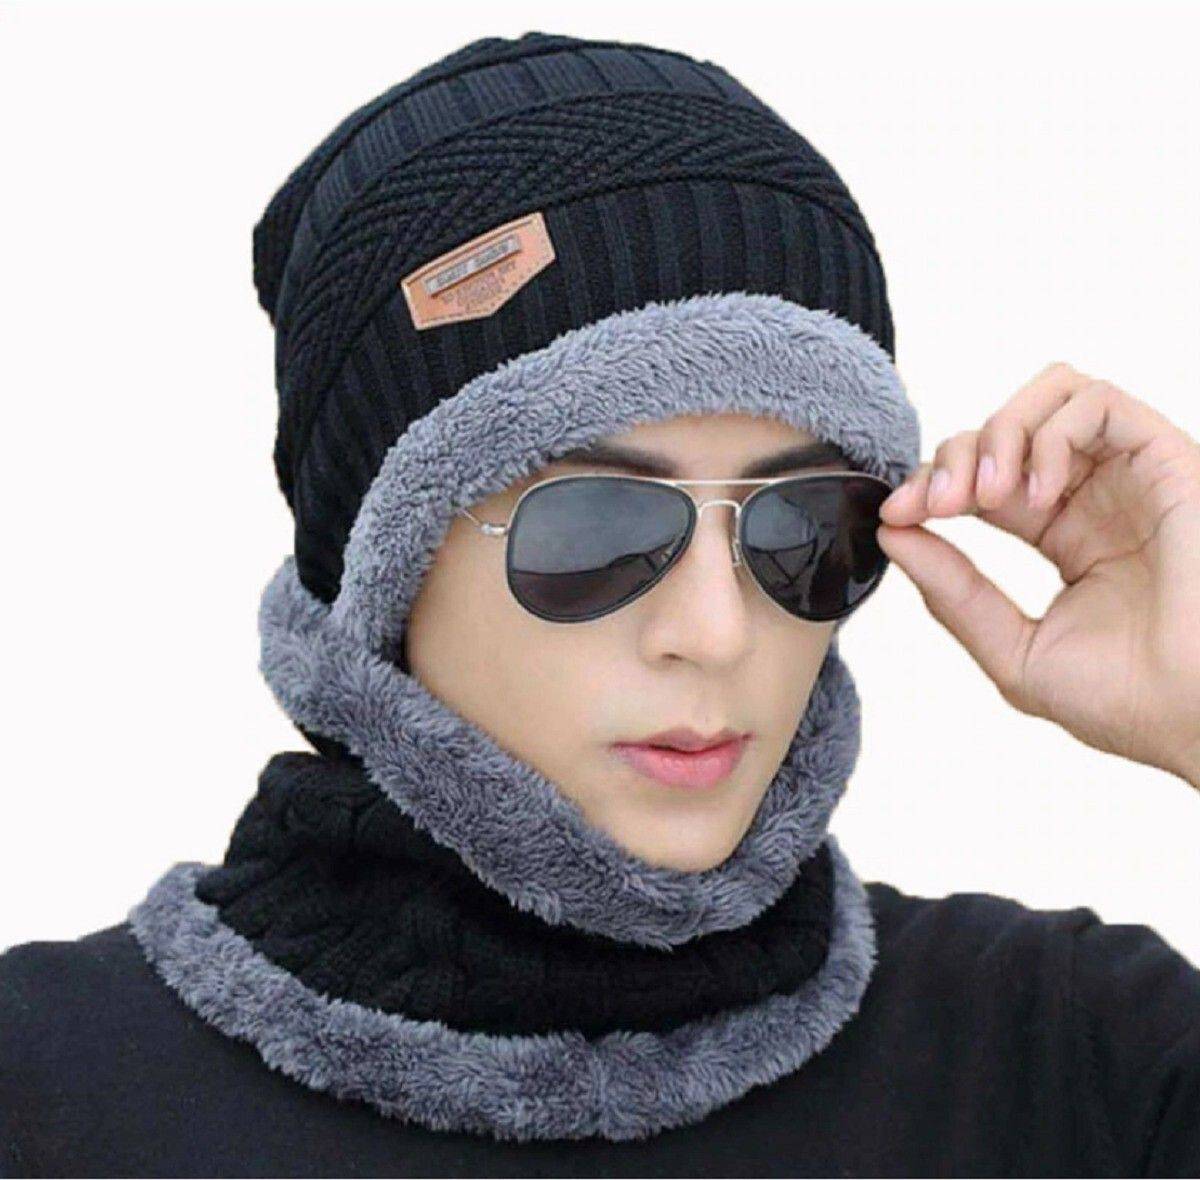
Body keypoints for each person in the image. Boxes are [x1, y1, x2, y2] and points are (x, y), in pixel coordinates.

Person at [1, 29, 1197, 1179]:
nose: (716, 631)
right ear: (381, 574)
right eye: (600, 528)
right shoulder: (44, 1094)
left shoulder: (1076, 1060)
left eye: (805, 525)